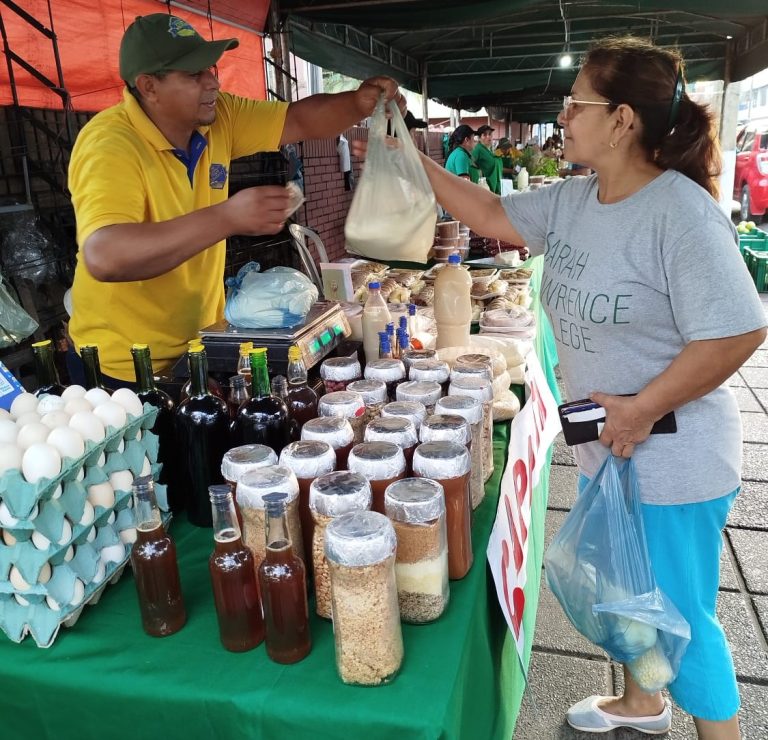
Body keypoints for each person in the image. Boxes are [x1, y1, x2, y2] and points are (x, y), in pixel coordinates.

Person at [357, 36, 766, 740]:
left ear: (623, 121)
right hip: (617, 446)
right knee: (635, 596)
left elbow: (738, 332)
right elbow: (488, 213)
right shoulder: (578, 199)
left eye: (579, 102)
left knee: (685, 618)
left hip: (672, 455)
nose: (565, 114)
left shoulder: (680, 213)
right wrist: (406, 154)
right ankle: (642, 705)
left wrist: (642, 409)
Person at [67, 13, 403, 387]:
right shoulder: (110, 144)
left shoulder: (219, 115)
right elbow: (106, 256)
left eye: (212, 68)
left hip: (198, 344)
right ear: (148, 86)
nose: (213, 82)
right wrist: (226, 218)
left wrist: (358, 103)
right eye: (194, 75)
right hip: (123, 365)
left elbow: (301, 120)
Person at [472, 124, 502, 194]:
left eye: (490, 134)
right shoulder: (478, 149)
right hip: (486, 188)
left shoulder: (489, 149)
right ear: (479, 138)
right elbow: (471, 163)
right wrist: (479, 172)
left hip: (495, 186)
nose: (488, 137)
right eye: (484, 135)